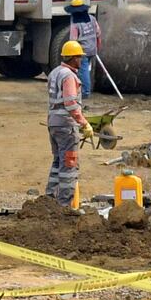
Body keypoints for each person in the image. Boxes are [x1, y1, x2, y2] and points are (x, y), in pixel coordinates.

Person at [46, 40, 94, 207]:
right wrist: (84, 124)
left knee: (58, 162)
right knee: (69, 164)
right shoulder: (69, 76)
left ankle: (49, 201)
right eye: (79, 57)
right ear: (73, 58)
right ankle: (64, 206)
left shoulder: (55, 72)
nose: (81, 61)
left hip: (53, 124)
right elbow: (71, 104)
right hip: (66, 125)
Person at [64, 0, 102, 99]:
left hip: (82, 51)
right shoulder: (92, 19)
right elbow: (98, 34)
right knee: (87, 70)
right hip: (92, 49)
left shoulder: (75, 23)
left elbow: (73, 40)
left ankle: (85, 92)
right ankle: (84, 89)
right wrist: (97, 47)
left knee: (83, 71)